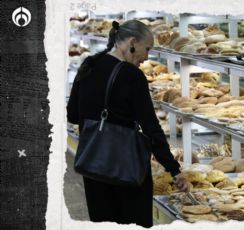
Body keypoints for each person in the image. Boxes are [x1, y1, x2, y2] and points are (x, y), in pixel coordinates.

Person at [66, 20, 189, 228]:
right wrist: (174, 169)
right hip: (126, 168)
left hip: (94, 164)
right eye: (147, 48)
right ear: (132, 42)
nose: (147, 56)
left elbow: (73, 115)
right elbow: (151, 129)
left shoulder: (89, 64)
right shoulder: (132, 75)